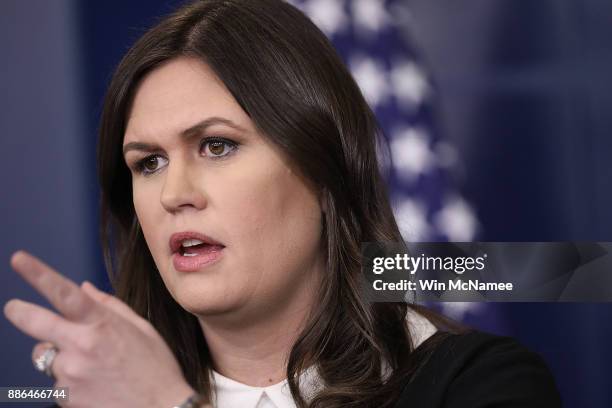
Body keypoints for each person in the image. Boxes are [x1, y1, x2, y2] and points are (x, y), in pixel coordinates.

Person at [3, 0, 561, 407]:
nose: (174, 195)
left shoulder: (484, 386)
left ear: (324, 171)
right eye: (148, 163)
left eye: (217, 146)